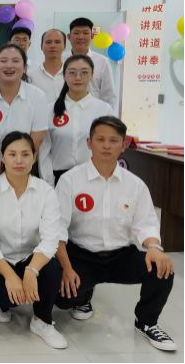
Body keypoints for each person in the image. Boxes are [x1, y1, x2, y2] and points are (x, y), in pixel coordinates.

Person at [55, 116, 177, 352]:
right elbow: (58, 229)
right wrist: (67, 268)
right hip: (82, 256)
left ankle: (147, 322)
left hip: (121, 256)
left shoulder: (135, 185)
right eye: (100, 139)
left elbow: (145, 224)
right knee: (62, 298)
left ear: (123, 145)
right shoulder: (70, 180)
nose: (106, 146)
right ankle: (83, 298)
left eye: (113, 140)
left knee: (162, 269)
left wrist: (154, 247)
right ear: (89, 143)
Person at [0, 132, 67, 350]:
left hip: (31, 259)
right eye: (12, 154)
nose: (19, 160)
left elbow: (50, 239)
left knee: (52, 268)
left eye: (25, 154)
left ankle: (42, 320)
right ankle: (2, 304)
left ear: (34, 157)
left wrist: (31, 270)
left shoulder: (45, 192)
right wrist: (10, 276)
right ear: (3, 157)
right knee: (9, 297)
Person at [0, 44, 49, 205]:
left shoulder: (37, 96)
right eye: (3, 61)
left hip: (24, 168)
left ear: (24, 67)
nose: (9, 65)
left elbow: (37, 138)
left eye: (15, 61)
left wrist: (18, 169)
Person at [41, 55, 114, 185]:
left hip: (94, 179)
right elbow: (44, 151)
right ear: (64, 76)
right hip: (58, 179)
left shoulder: (104, 109)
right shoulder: (49, 110)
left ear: (92, 76)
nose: (78, 78)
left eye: (84, 72)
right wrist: (48, 183)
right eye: (72, 73)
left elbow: (109, 149)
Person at [67, 17, 118, 109]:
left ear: (92, 36)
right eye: (76, 33)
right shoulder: (60, 60)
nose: (81, 37)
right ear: (69, 37)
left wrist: (106, 116)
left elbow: (109, 95)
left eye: (85, 33)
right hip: (65, 112)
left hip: (94, 113)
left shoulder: (102, 61)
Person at [28, 29, 67, 102]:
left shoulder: (72, 73)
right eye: (48, 42)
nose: (53, 45)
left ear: (64, 46)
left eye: (57, 42)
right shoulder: (30, 75)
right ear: (41, 46)